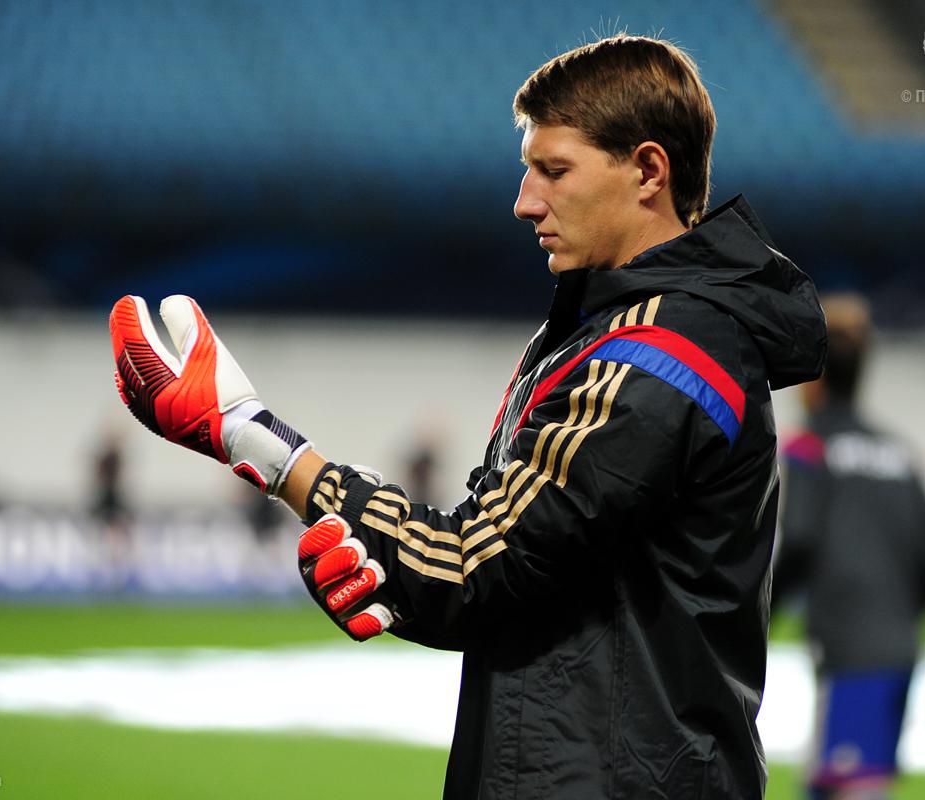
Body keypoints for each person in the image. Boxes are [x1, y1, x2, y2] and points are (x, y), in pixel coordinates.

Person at [109, 35, 826, 798]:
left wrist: (259, 440)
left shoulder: (667, 349)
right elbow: (510, 585)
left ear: (649, 171)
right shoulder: (606, 336)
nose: (525, 201)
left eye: (554, 170)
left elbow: (476, 564)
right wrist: (387, 562)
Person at [773, 294, 925, 800]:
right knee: (850, 782)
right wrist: (899, 615)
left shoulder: (811, 445)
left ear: (812, 379)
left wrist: (758, 616)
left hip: (849, 648)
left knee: (843, 787)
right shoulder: (899, 453)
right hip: (899, 647)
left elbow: (798, 537)